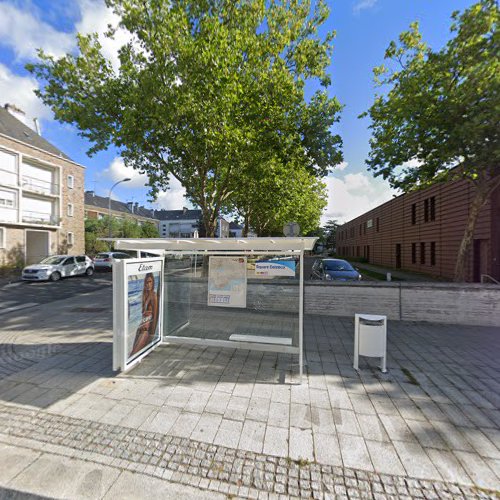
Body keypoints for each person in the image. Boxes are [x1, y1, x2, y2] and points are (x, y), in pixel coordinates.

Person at [130, 272, 159, 356]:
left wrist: (152, 334)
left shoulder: (153, 296)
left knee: (134, 352)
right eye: (146, 282)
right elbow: (143, 312)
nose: (148, 284)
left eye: (150, 282)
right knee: (134, 349)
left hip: (147, 328)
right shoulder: (144, 294)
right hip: (141, 325)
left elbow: (155, 316)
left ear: (153, 282)